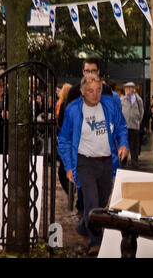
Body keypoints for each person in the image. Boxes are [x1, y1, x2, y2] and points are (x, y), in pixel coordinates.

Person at [58, 74, 129, 255]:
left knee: (102, 202)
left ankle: (84, 225)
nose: (95, 94)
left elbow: (121, 126)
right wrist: (68, 166)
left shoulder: (110, 104)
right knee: (92, 200)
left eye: (98, 90)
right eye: (90, 91)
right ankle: (95, 242)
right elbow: (64, 139)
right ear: (82, 91)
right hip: (84, 162)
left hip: (106, 162)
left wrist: (123, 143)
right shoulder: (73, 110)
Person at [58, 58, 114, 214]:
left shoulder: (107, 91)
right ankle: (85, 214)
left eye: (93, 71)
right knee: (87, 187)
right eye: (87, 71)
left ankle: (90, 215)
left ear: (98, 72)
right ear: (83, 72)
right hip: (82, 147)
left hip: (102, 147)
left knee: (102, 190)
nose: (90, 74)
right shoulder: (74, 92)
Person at [121, 82, 144, 169]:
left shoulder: (138, 100)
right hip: (124, 127)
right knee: (124, 145)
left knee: (134, 146)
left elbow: (141, 112)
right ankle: (123, 162)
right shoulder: (122, 100)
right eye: (125, 88)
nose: (126, 89)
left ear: (133, 89)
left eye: (128, 88)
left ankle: (135, 162)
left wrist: (138, 121)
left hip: (134, 126)